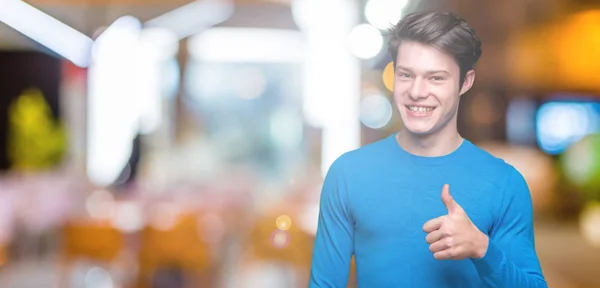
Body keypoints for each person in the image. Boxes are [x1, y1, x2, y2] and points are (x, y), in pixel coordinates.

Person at [309, 11, 547, 287]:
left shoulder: (505, 183)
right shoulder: (348, 174)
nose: (417, 91)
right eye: (406, 75)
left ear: (465, 82)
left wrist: (482, 248)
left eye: (436, 78)